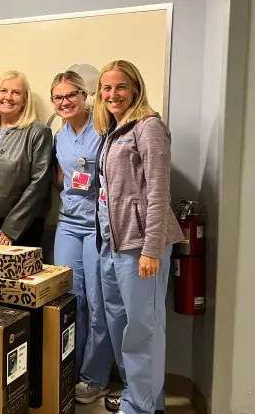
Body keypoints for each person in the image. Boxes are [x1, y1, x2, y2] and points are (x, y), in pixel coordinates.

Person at [93, 60, 183, 414]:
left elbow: (159, 192)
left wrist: (152, 249)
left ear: (135, 88)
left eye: (120, 87)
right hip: (112, 244)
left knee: (143, 329)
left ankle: (140, 408)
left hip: (141, 245)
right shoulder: (115, 131)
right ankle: (142, 398)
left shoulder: (149, 127)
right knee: (119, 321)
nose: (112, 94)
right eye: (106, 88)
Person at [50, 71, 114, 405]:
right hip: (68, 224)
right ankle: (69, 371)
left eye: (70, 95)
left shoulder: (102, 127)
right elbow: (62, 178)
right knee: (70, 299)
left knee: (98, 301)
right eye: (57, 97)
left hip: (97, 225)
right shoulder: (59, 134)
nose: (64, 102)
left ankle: (96, 377)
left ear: (85, 94)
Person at [0, 70, 52, 247]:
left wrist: (12, 227)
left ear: (24, 99)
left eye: (16, 92)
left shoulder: (38, 132)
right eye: (3, 91)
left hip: (20, 223)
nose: (9, 97)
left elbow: (39, 185)